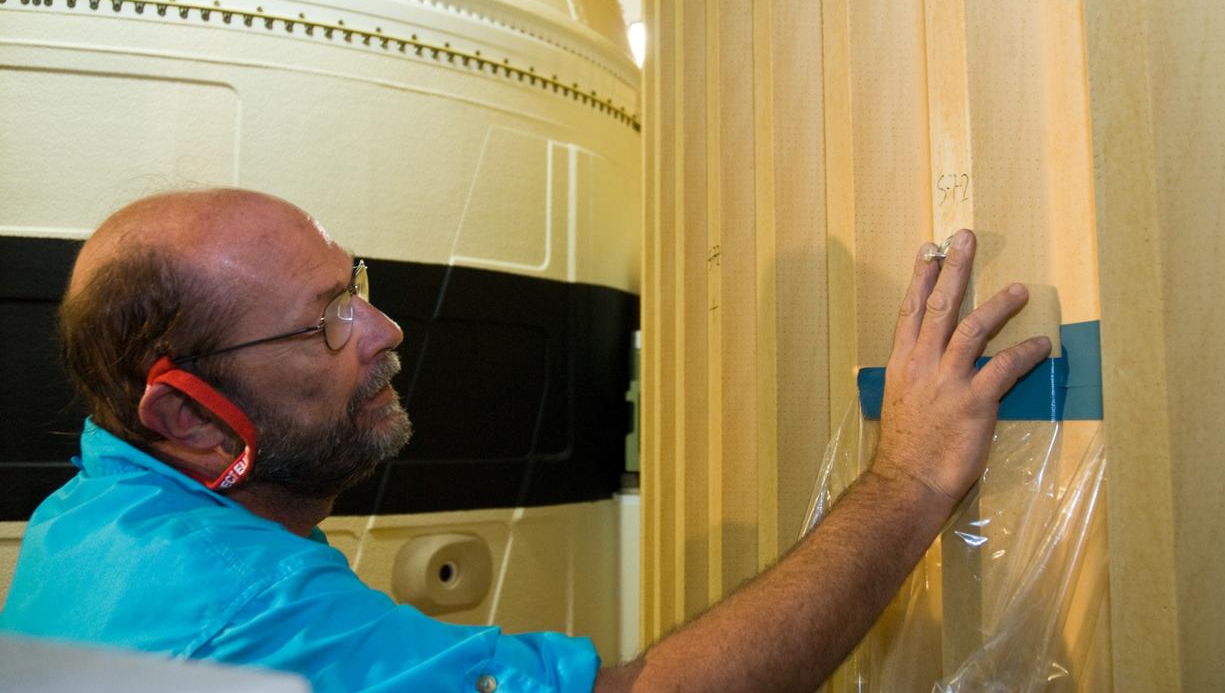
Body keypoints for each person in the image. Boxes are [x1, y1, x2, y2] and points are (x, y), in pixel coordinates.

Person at [0, 188, 1050, 692]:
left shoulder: (84, 518)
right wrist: (910, 474)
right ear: (183, 412)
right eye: (323, 322)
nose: (384, 330)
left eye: (352, 285)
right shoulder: (248, 626)